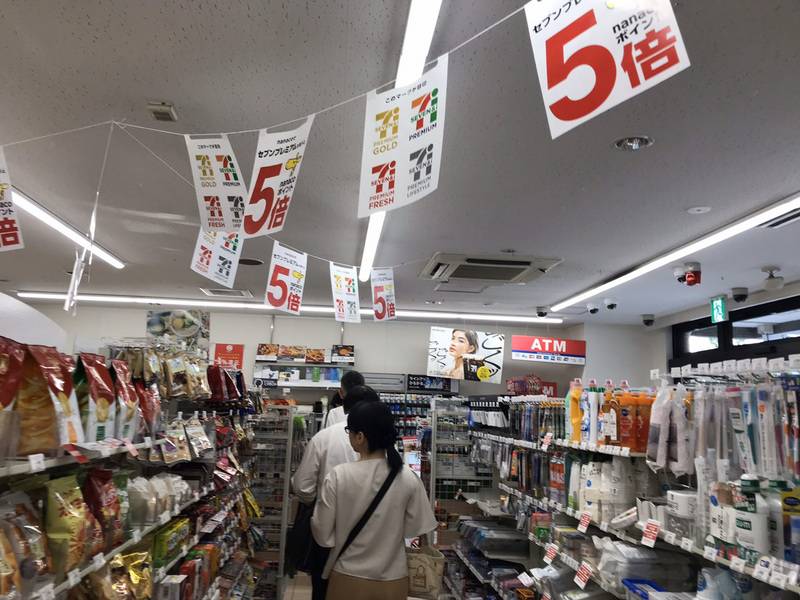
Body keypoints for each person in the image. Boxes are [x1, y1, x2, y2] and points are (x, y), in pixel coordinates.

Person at [312, 401, 438, 600]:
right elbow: (416, 528)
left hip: (347, 577)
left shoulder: (338, 476)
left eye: (349, 431)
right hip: (393, 579)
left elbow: (322, 534)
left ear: (360, 437)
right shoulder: (408, 477)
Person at [292, 384, 379, 600]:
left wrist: (317, 501)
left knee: (323, 587)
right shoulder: (383, 442)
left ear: (343, 406)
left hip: (327, 529)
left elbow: (302, 486)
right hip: (370, 534)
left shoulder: (324, 437)